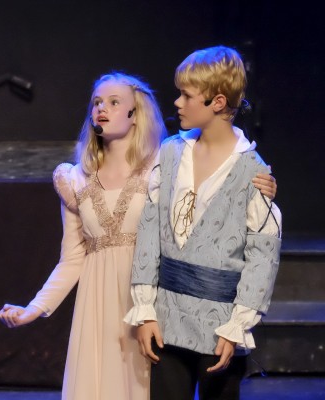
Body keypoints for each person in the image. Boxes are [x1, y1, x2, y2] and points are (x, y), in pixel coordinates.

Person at [0, 71, 277, 400]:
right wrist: (34, 308)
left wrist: (260, 186)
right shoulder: (75, 180)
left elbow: (210, 190)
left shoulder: (165, 164)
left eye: (114, 102)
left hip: (150, 305)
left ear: (135, 113)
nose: (102, 108)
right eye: (97, 102)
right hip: (97, 311)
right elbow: (72, 259)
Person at [124, 46, 282, 400]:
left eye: (186, 95)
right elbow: (149, 231)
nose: (177, 103)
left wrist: (237, 326)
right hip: (166, 319)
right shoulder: (170, 153)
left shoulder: (253, 171)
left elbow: (263, 254)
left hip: (220, 325)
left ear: (217, 102)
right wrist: (146, 310)